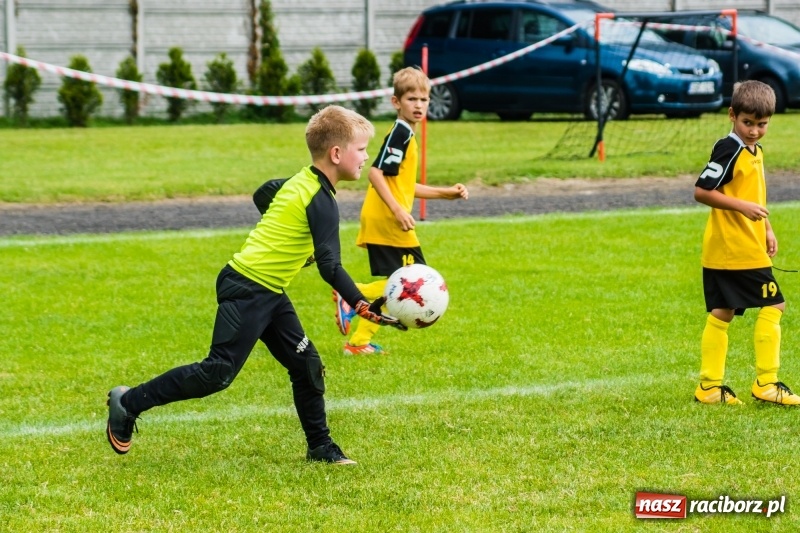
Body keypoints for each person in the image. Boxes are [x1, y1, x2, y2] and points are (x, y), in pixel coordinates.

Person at [106, 105, 407, 465]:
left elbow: (263, 194)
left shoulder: (300, 181)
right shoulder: (321, 200)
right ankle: (128, 403)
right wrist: (361, 304)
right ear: (337, 153)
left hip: (269, 291)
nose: (366, 157)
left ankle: (321, 447)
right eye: (361, 149)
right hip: (247, 287)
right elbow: (331, 266)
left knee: (307, 365)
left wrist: (284, 234)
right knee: (217, 373)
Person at [332, 67, 469, 355]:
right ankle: (350, 294)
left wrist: (445, 194)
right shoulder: (401, 134)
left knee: (400, 282)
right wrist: (397, 210)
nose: (418, 105)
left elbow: (403, 185)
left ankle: (359, 343)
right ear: (397, 102)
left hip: (385, 217)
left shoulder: (406, 135)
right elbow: (376, 174)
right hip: (388, 220)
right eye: (411, 99)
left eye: (423, 100)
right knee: (410, 281)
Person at [693, 80, 799, 406]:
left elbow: (754, 196)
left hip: (740, 247)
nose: (754, 131)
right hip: (734, 249)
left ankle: (709, 388)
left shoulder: (756, 150)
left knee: (722, 313)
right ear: (732, 115)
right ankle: (766, 383)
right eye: (747, 123)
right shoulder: (730, 148)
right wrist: (743, 208)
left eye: (762, 124)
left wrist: (767, 228)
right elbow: (702, 191)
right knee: (775, 304)